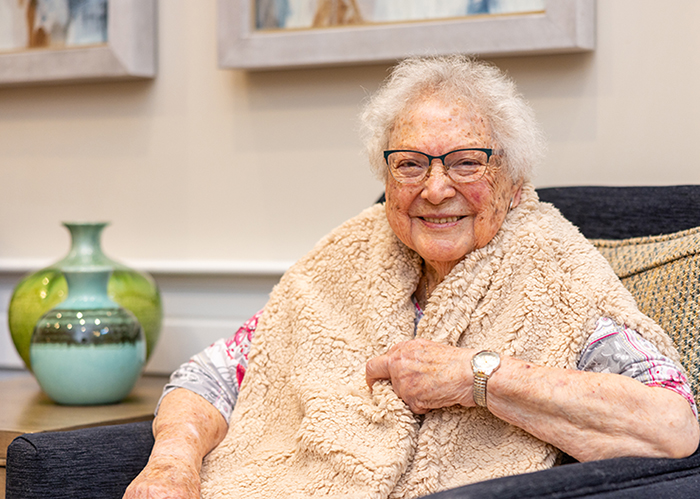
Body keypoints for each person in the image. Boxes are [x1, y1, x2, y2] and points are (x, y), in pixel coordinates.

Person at [124, 56, 699, 499]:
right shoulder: (346, 258)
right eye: (410, 164)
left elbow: (670, 427)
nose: (435, 188)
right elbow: (215, 374)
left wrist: (478, 376)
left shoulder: (556, 275)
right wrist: (173, 463)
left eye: (467, 162)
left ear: (516, 182)